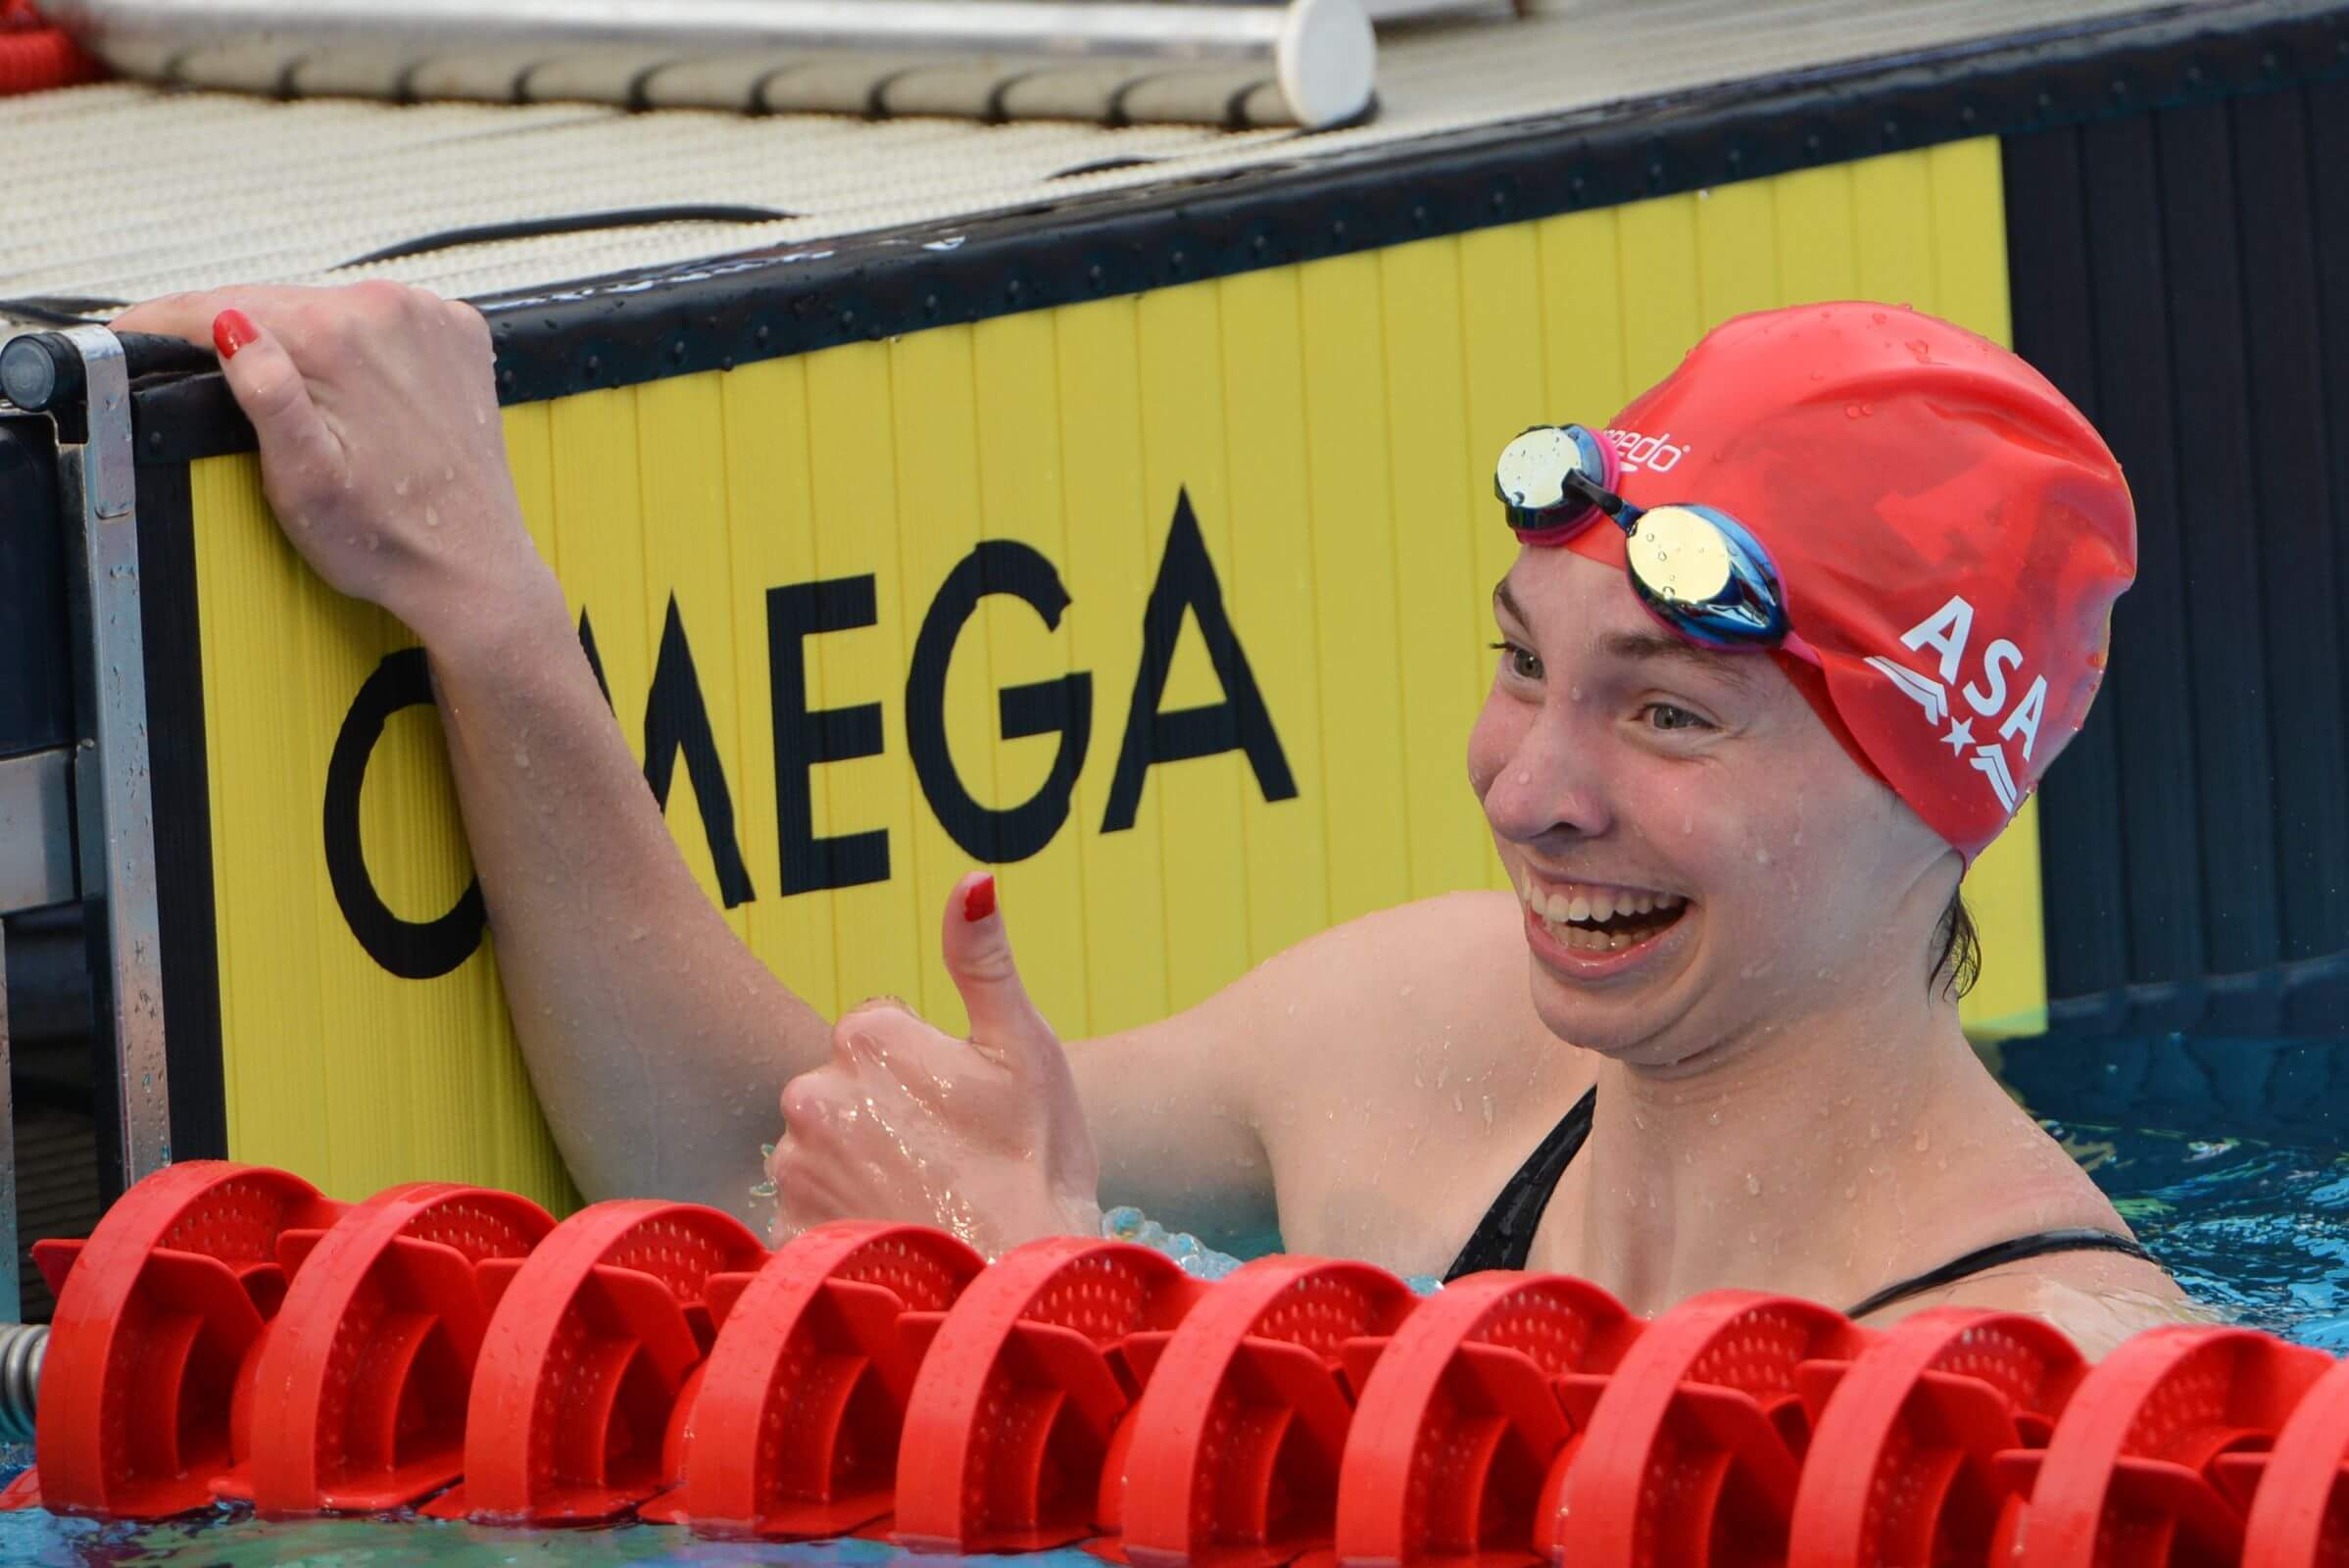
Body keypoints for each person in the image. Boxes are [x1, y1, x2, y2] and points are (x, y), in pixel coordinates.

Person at [113, 284, 2190, 1351]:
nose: (1534, 792)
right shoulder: (1437, 1034)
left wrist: (1074, 1328)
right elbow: (739, 1159)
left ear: (1946, 789)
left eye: (1666, 713)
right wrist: (487, 614)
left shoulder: (2051, 1388)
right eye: (1517, 663)